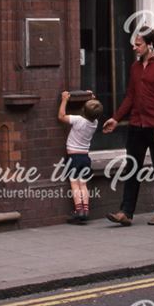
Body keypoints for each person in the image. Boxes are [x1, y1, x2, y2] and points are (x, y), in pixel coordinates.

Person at [103, 28, 154, 226]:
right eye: (134, 44)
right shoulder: (135, 68)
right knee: (132, 167)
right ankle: (126, 212)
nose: (134, 47)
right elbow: (130, 96)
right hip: (136, 124)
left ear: (150, 44)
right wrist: (116, 119)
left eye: (138, 44)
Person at [57, 90, 104, 223]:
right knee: (83, 184)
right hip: (85, 158)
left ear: (83, 110)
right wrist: (92, 97)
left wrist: (64, 99)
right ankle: (86, 210)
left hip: (74, 158)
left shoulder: (78, 120)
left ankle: (79, 211)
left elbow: (61, 116)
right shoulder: (94, 123)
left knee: (74, 183)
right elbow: (94, 110)